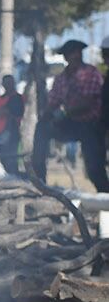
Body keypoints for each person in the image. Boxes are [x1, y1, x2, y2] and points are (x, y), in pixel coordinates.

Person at [31, 40, 108, 192]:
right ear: (66, 57)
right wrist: (46, 116)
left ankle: (105, 193)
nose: (76, 56)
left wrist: (64, 112)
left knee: (94, 168)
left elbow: (88, 102)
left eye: (78, 52)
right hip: (70, 124)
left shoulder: (91, 73)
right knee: (42, 128)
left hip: (91, 125)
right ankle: (39, 179)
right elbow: (53, 101)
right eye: (72, 53)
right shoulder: (61, 79)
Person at [0, 75, 25, 175]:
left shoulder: (17, 98)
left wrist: (1, 111)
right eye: (5, 82)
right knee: (3, 158)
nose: (8, 85)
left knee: (11, 160)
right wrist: (1, 111)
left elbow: (11, 112)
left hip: (11, 133)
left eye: (10, 82)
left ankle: (16, 178)